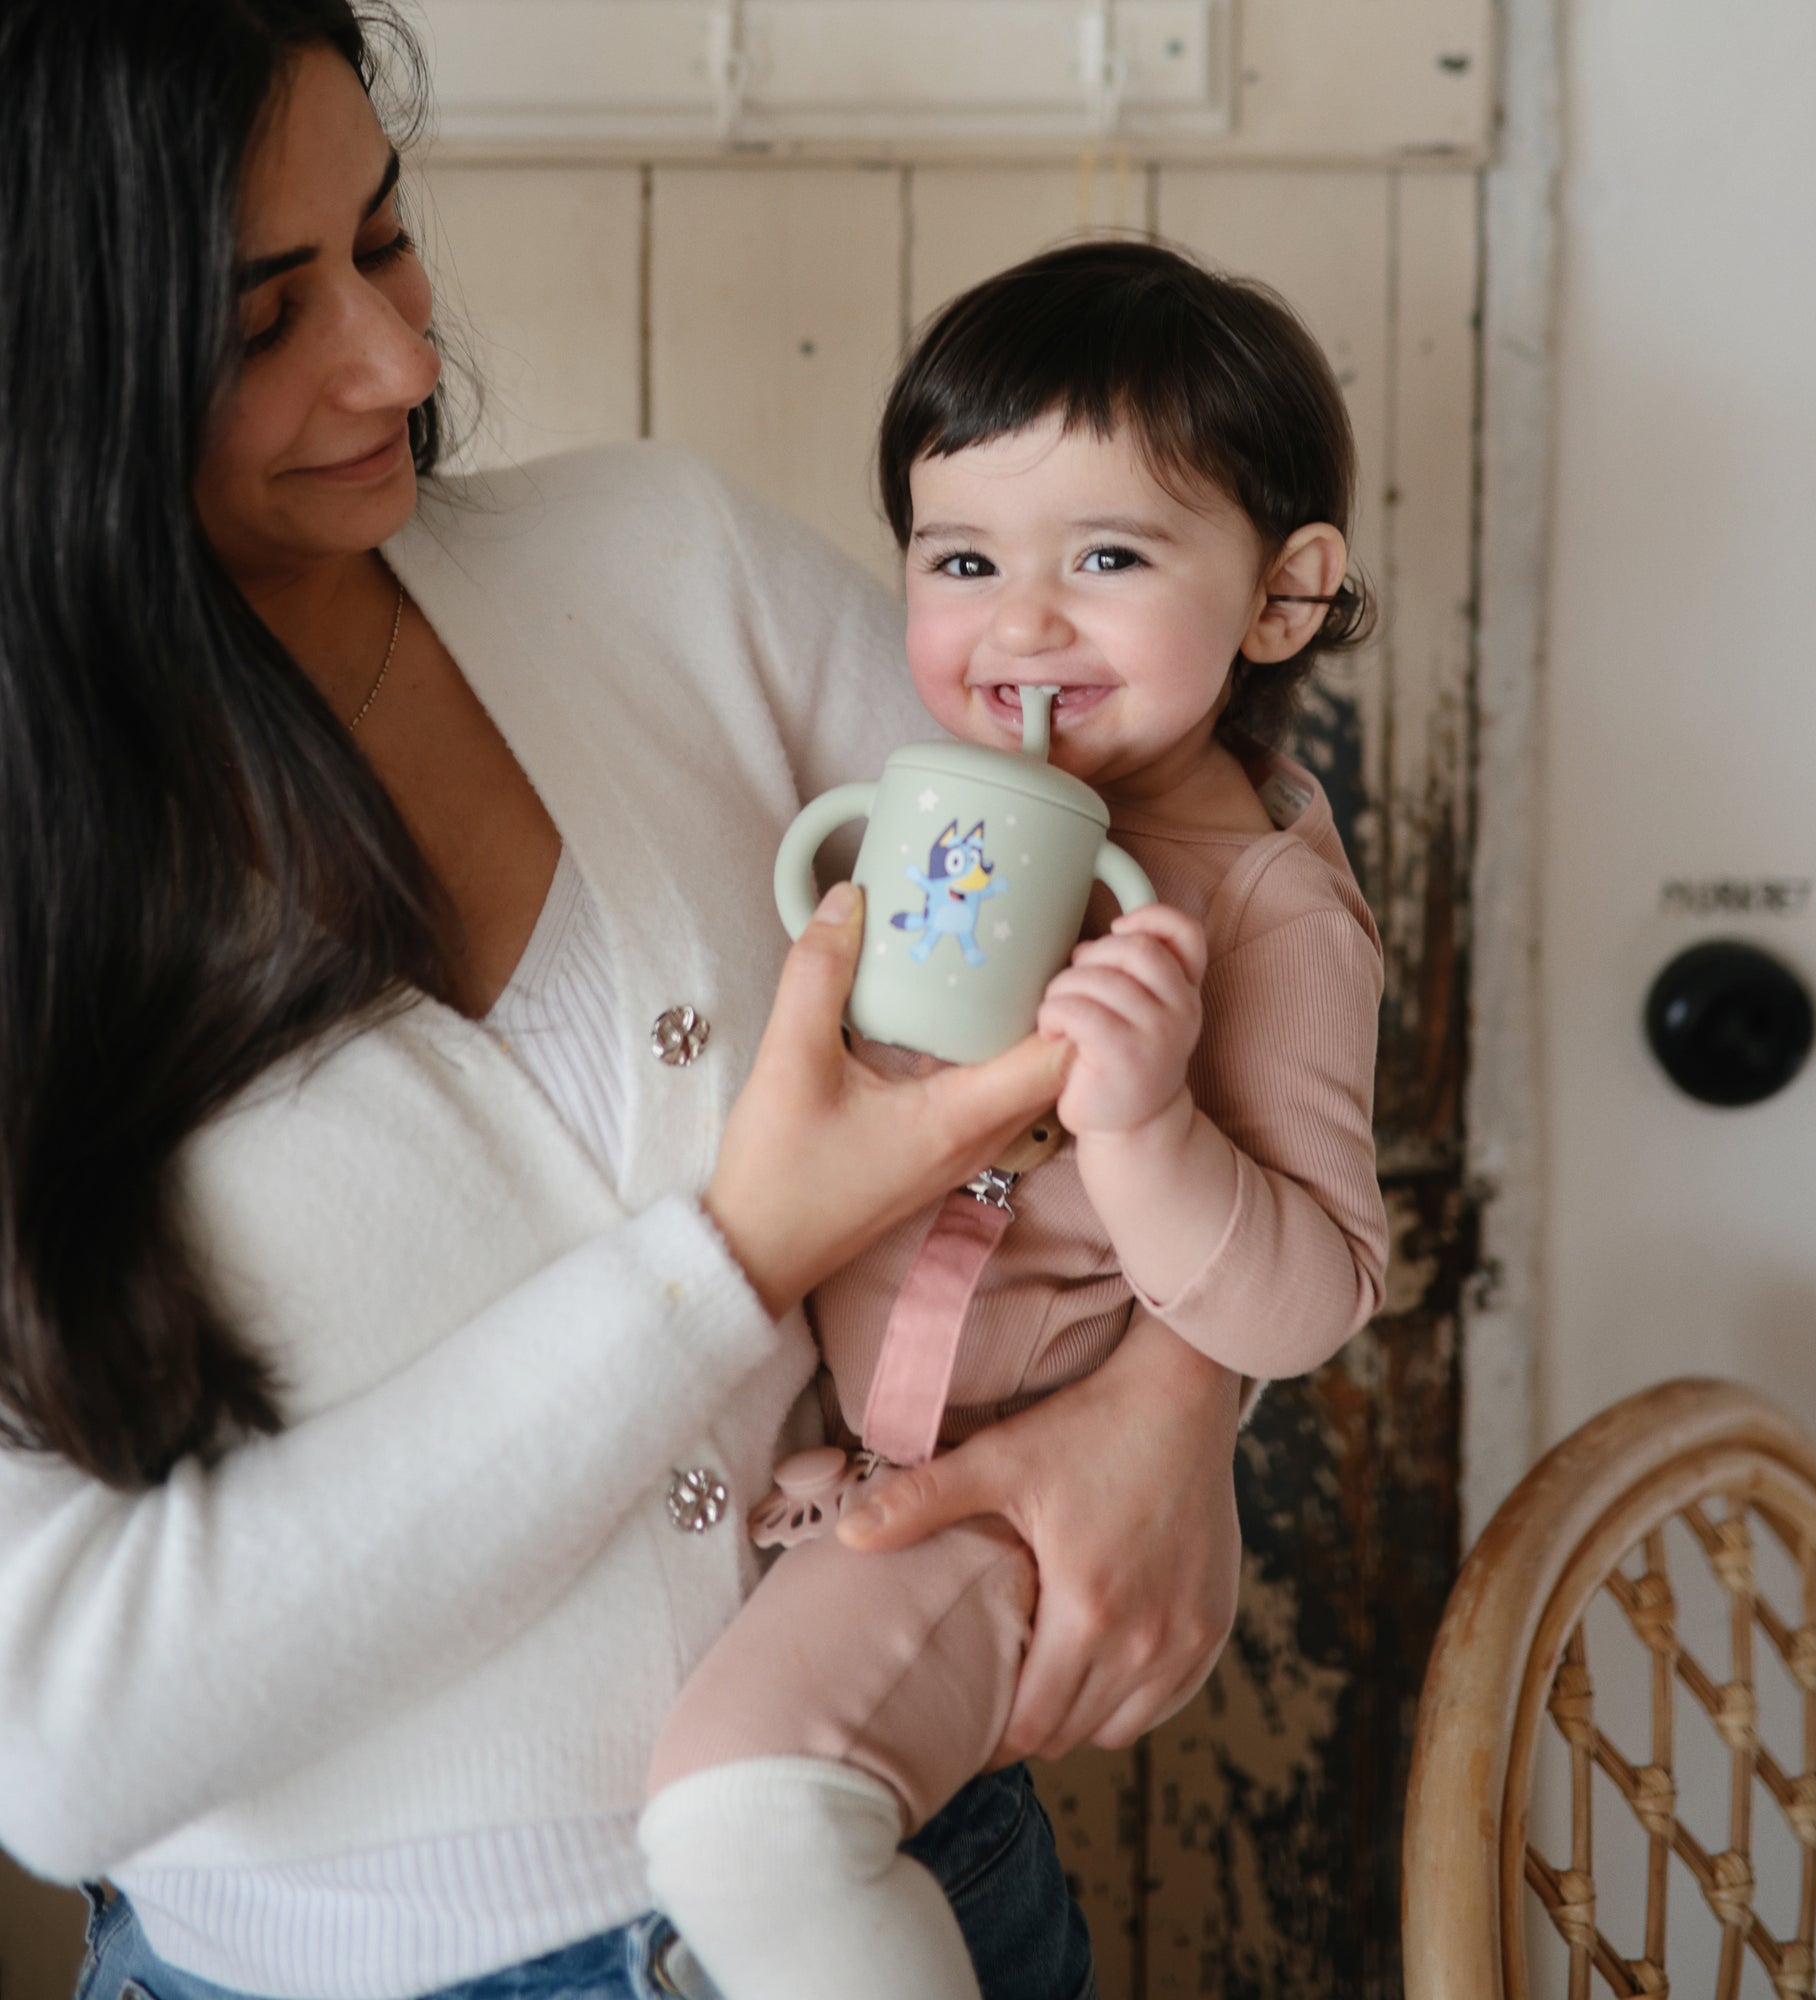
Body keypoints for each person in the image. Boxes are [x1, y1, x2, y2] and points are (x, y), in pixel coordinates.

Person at [0, 11, 1250, 2000]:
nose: (400, 360)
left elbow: (1203, 864)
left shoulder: (663, 570)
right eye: (261, 319)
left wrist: (1178, 1399)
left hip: (920, 1893)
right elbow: (61, 1743)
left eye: (386, 243)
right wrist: (737, 1257)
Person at [637, 240, 1392, 2000]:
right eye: (961, 558)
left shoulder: (1274, 907)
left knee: (744, 1803)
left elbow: (1315, 1294)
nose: (1021, 624)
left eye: (1109, 559)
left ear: (1282, 598)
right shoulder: (927, 807)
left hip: (1009, 1522)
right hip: (840, 1470)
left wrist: (1144, 1128)